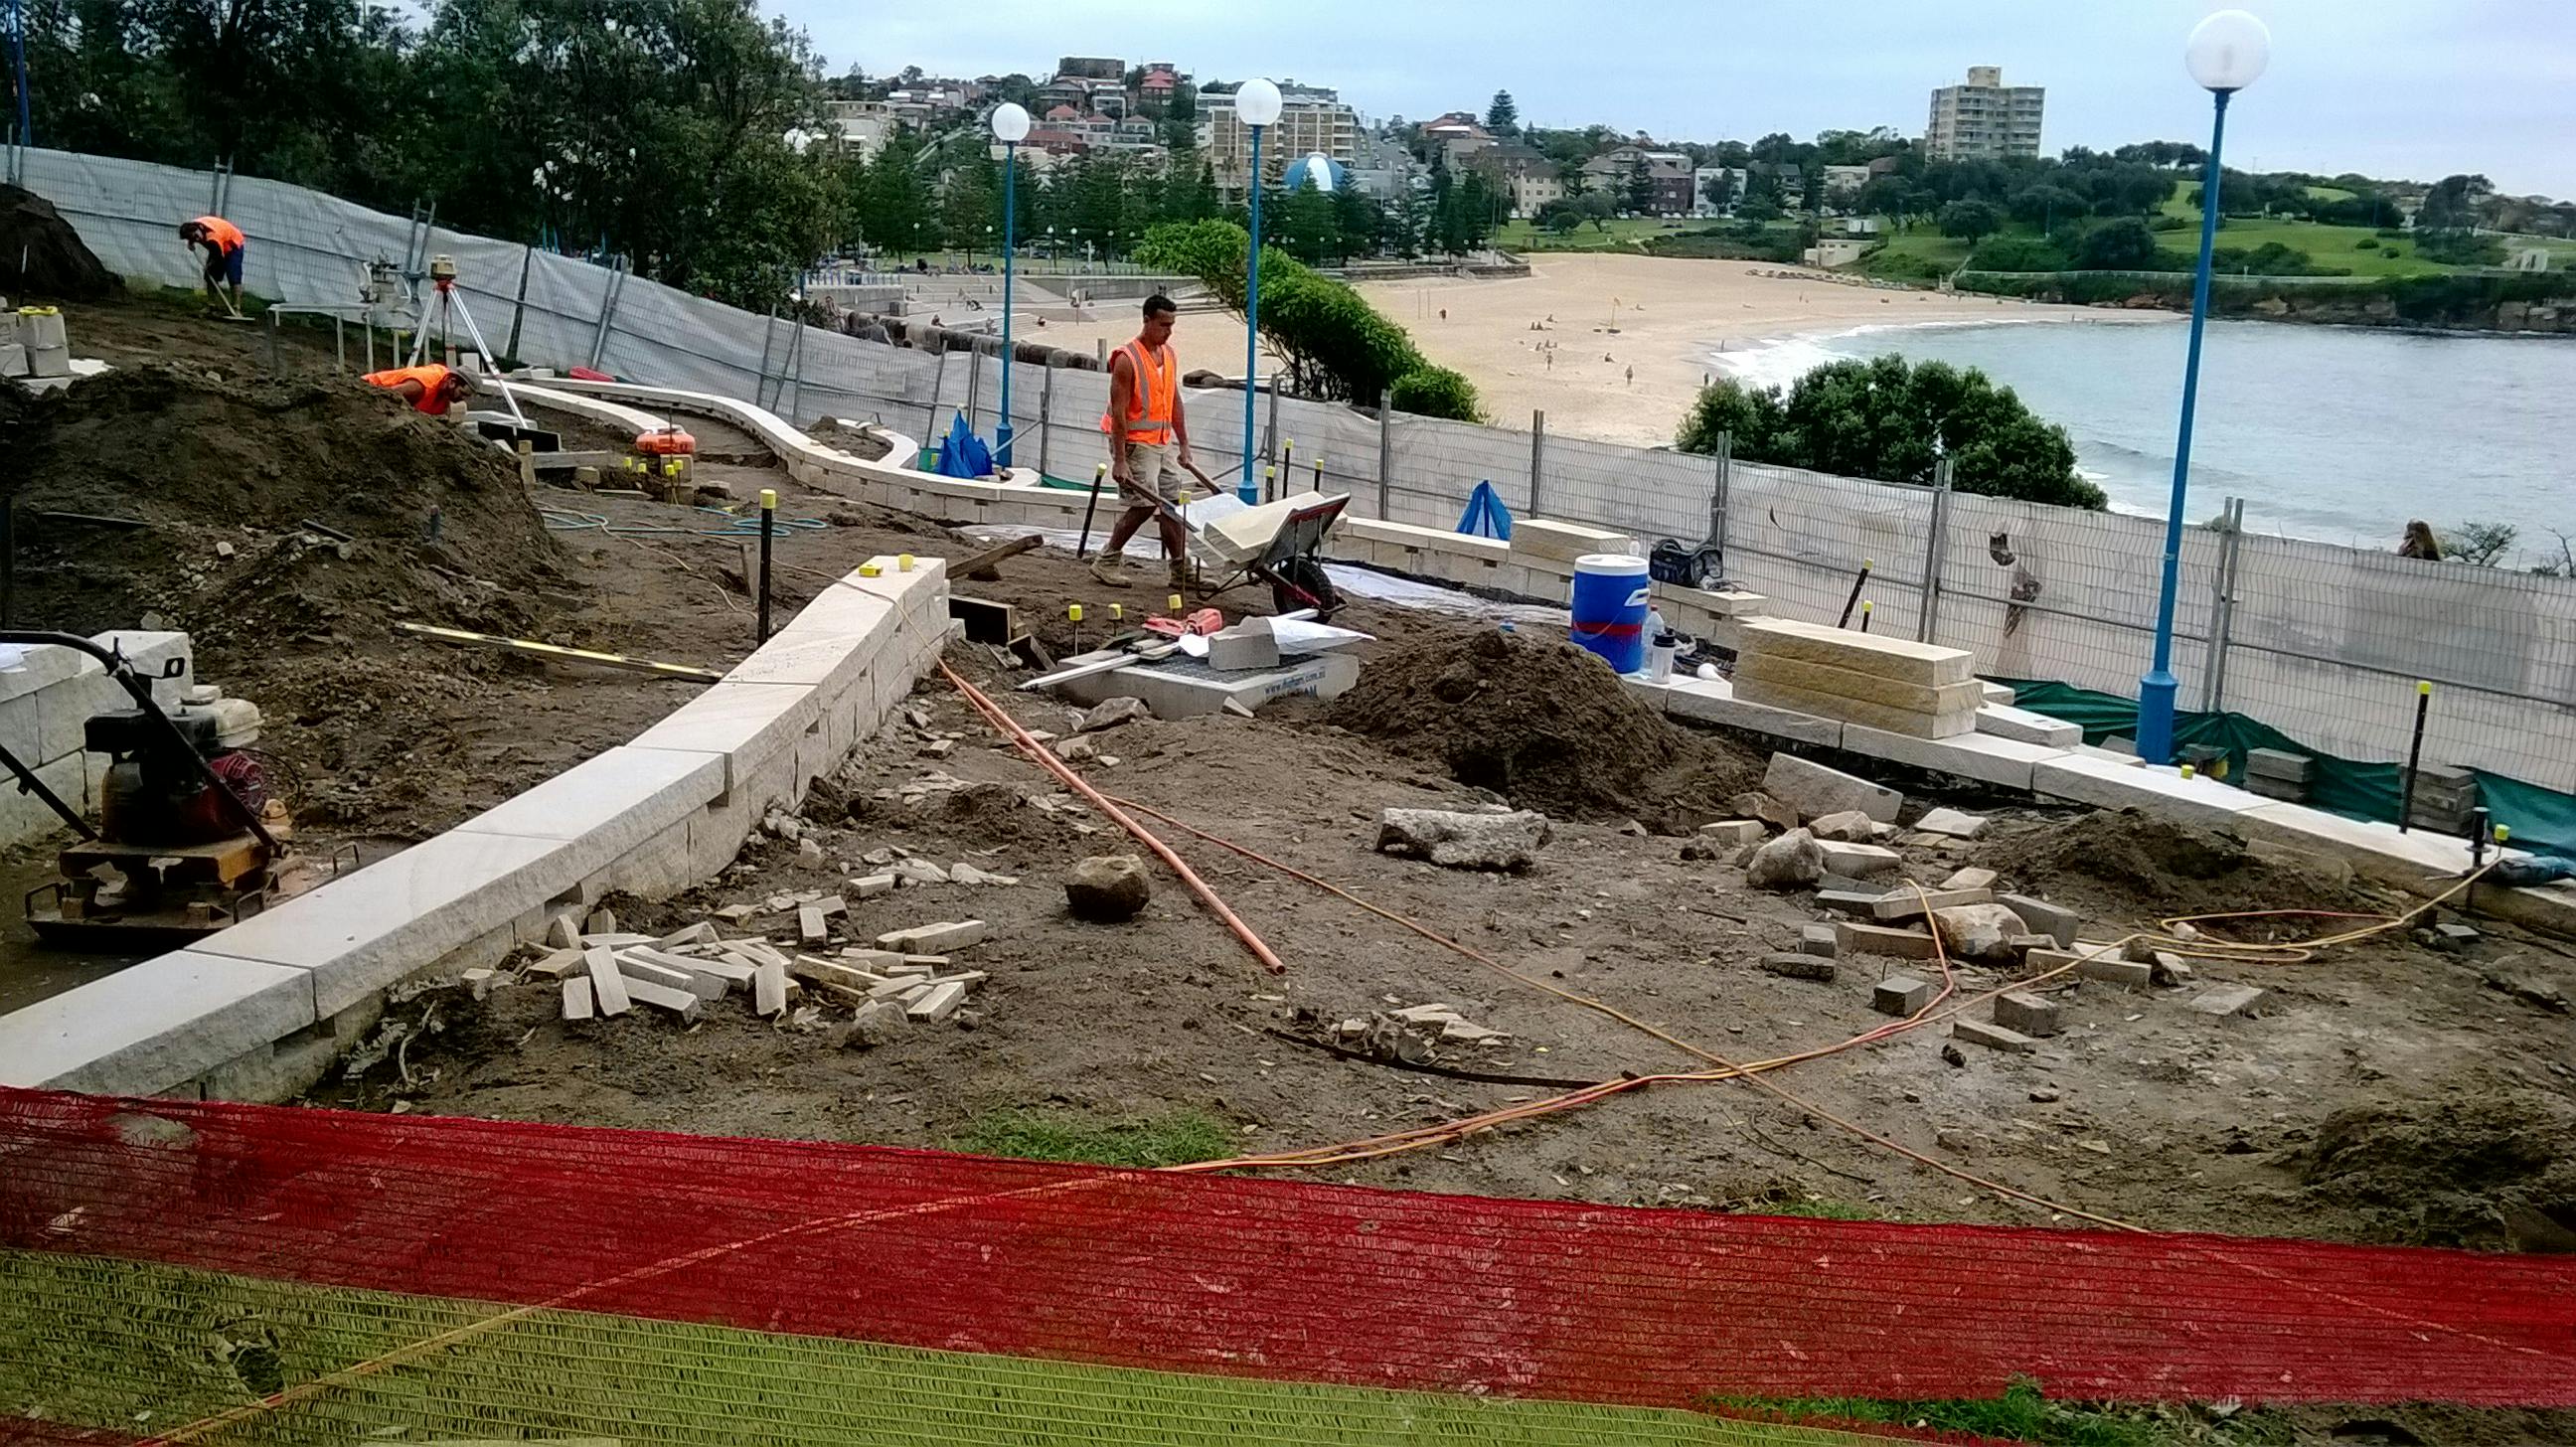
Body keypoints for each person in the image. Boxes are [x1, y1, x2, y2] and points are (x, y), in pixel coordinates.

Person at [1093, 293, 1197, 592]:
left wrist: (1184, 444)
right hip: (1136, 443)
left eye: (1172, 325)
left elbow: (1174, 401)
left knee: (1171, 505)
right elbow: (1120, 413)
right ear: (1147, 320)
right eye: (1163, 325)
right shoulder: (1127, 359)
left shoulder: (1169, 355)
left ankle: (1179, 570)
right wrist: (1120, 460)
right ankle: (1107, 560)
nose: (1168, 331)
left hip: (1161, 441)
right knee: (1143, 504)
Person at [177, 216, 247, 311]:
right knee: (210, 276)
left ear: (196, 233)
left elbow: (218, 257)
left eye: (192, 237)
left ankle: (236, 308)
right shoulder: (194, 225)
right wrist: (191, 242)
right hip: (220, 240)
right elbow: (193, 235)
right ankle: (211, 305)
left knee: (233, 275)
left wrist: (208, 266)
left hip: (233, 244)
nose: (192, 239)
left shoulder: (212, 238)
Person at [362, 363, 477, 416]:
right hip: (364, 390)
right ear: (452, 382)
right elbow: (386, 396)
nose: (463, 399)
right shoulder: (419, 387)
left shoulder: (444, 393)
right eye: (462, 393)